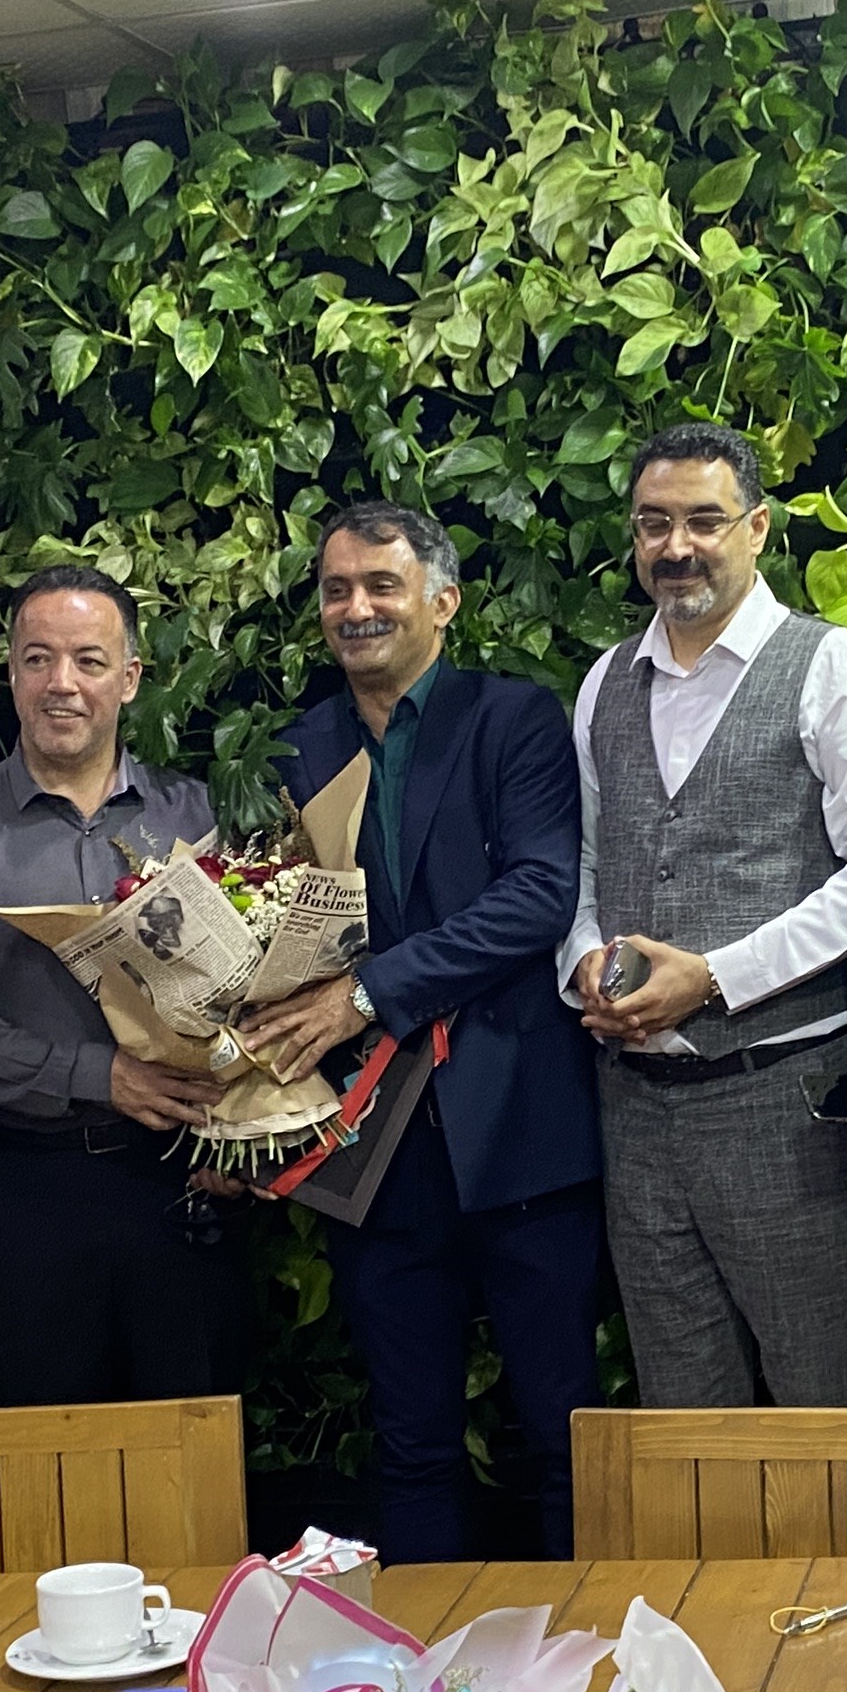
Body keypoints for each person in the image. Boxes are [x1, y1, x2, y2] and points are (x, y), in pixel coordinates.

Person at [239, 506, 599, 1559]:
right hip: (371, 1149)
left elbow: (539, 896)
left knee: (565, 1437)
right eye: (336, 590)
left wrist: (367, 993)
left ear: (442, 602)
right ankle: (419, 1656)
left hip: (522, 1133)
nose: (356, 608)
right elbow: (273, 929)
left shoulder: (514, 720)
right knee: (410, 1442)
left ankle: (591, 1644)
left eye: (381, 586)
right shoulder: (297, 747)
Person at [561, 423, 847, 1410]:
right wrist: (583, 960)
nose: (676, 546)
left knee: (826, 1402)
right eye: (653, 524)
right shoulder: (603, 683)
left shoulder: (834, 667)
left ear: (757, 528)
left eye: (704, 521)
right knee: (682, 1415)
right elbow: (588, 859)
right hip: (634, 1109)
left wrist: (720, 977)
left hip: (784, 1099)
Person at [0, 565, 249, 1405]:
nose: (62, 684)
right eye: (38, 658)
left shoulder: (199, 819)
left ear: (130, 678)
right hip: (26, 1188)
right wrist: (95, 1075)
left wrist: (240, 1140)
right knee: (50, 1446)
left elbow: (257, 992)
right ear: (10, 673)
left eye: (89, 660)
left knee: (193, 1440)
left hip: (184, 1178)